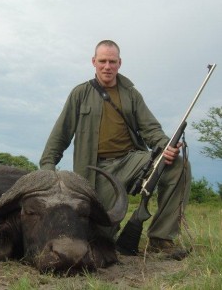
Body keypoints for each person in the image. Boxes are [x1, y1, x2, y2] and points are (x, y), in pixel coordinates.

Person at [40, 40, 191, 257]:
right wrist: (47, 168)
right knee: (98, 238)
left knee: (178, 164)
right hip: (95, 172)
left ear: (120, 63)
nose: (107, 66)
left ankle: (161, 238)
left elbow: (152, 131)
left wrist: (167, 146)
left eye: (112, 61)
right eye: (102, 61)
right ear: (94, 62)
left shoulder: (132, 94)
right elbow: (60, 134)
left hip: (131, 161)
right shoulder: (79, 94)